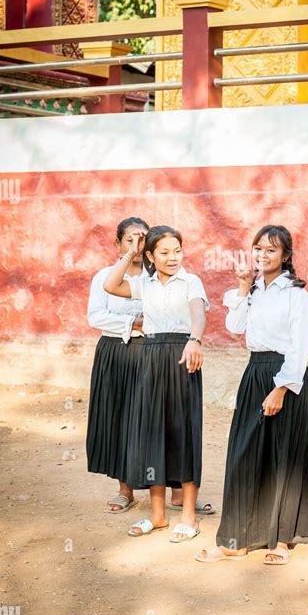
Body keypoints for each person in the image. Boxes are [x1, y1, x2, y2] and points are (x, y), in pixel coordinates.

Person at [196, 225, 308, 565]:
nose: (262, 255)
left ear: (286, 257)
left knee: (284, 460)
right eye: (258, 249)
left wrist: (280, 387)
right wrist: (242, 287)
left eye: (271, 250)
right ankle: (235, 541)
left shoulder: (296, 295)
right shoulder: (253, 291)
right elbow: (235, 327)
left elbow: (300, 347)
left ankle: (282, 540)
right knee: (244, 455)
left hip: (287, 379)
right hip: (254, 374)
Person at [103, 225, 210, 542]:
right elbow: (111, 285)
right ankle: (158, 515)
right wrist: (129, 254)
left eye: (177, 250)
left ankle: (189, 517)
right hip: (150, 359)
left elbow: (198, 313)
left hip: (182, 356)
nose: (173, 257)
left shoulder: (191, 281)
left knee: (184, 433)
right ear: (150, 255)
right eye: (164, 252)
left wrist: (195, 339)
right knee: (153, 434)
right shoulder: (143, 284)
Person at [86, 216, 149, 513]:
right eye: (130, 239)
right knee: (120, 418)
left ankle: (175, 492)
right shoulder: (104, 277)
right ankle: (126, 490)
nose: (138, 244)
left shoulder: (158, 275)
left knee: (154, 418)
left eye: (143, 238)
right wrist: (132, 322)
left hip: (152, 354)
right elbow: (96, 317)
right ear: (118, 243)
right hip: (115, 353)